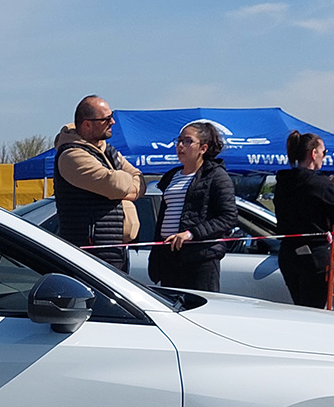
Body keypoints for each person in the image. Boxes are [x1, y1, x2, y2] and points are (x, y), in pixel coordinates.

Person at [51, 96, 143, 272]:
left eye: (111, 116)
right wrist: (124, 184)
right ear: (87, 124)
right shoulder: (72, 155)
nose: (113, 122)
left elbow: (140, 180)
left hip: (114, 249)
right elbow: (116, 185)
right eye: (106, 119)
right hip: (89, 252)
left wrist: (123, 186)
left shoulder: (108, 151)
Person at [147, 120, 237, 292]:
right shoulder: (171, 176)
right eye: (179, 141)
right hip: (169, 256)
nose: (180, 146)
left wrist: (191, 234)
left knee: (199, 304)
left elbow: (228, 217)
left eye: (188, 141)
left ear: (203, 148)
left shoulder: (216, 175)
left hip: (200, 257)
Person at [273, 131, 334, 308]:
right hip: (315, 255)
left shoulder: (282, 183)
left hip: (288, 254)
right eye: (324, 152)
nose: (324, 157)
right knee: (314, 310)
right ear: (314, 154)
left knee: (300, 305)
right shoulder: (321, 185)